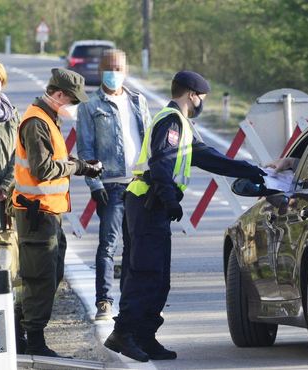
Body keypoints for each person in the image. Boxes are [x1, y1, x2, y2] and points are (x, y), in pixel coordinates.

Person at [105, 71, 268, 362]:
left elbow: (206, 156)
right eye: (202, 97)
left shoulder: (181, 124)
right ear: (192, 94)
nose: (202, 102)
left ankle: (145, 335)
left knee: (159, 277)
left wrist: (248, 169)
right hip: (147, 201)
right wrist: (168, 198)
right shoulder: (171, 121)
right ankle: (123, 332)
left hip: (153, 205)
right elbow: (161, 161)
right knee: (145, 272)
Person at [13, 68, 103, 357]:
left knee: (48, 274)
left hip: (47, 214)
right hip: (36, 215)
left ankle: (17, 334)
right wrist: (77, 167)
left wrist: (84, 165)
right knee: (40, 278)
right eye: (73, 100)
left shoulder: (48, 118)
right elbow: (43, 170)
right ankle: (34, 343)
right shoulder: (37, 122)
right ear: (58, 94)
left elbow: (56, 161)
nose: (74, 106)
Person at [76, 49, 152, 321]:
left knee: (134, 247)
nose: (113, 72)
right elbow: (85, 148)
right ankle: (104, 302)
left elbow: (149, 140)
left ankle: (129, 305)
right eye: (108, 68)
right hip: (110, 186)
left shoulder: (137, 101)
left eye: (118, 68)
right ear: (100, 72)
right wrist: (94, 184)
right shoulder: (89, 105)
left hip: (139, 184)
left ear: (126, 70)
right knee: (108, 245)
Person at [0, 60, 19, 228]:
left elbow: (19, 153)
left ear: (1, 83)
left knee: (3, 250)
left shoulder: (12, 115)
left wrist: (5, 186)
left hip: (6, 195)